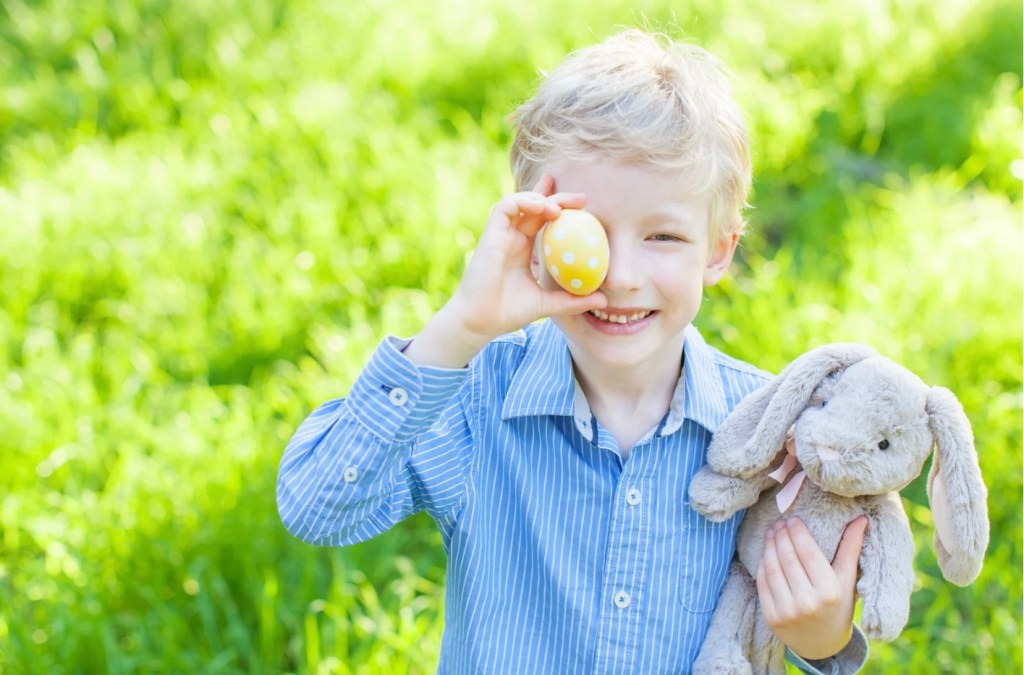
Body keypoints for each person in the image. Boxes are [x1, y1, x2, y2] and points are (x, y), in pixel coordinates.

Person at [277, 29, 869, 674]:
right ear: (534, 233)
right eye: (587, 233)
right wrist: (462, 327)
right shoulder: (478, 398)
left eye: (663, 236)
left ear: (719, 251)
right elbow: (316, 507)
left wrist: (822, 641)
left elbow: (790, 619)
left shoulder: (766, 431)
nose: (619, 276)